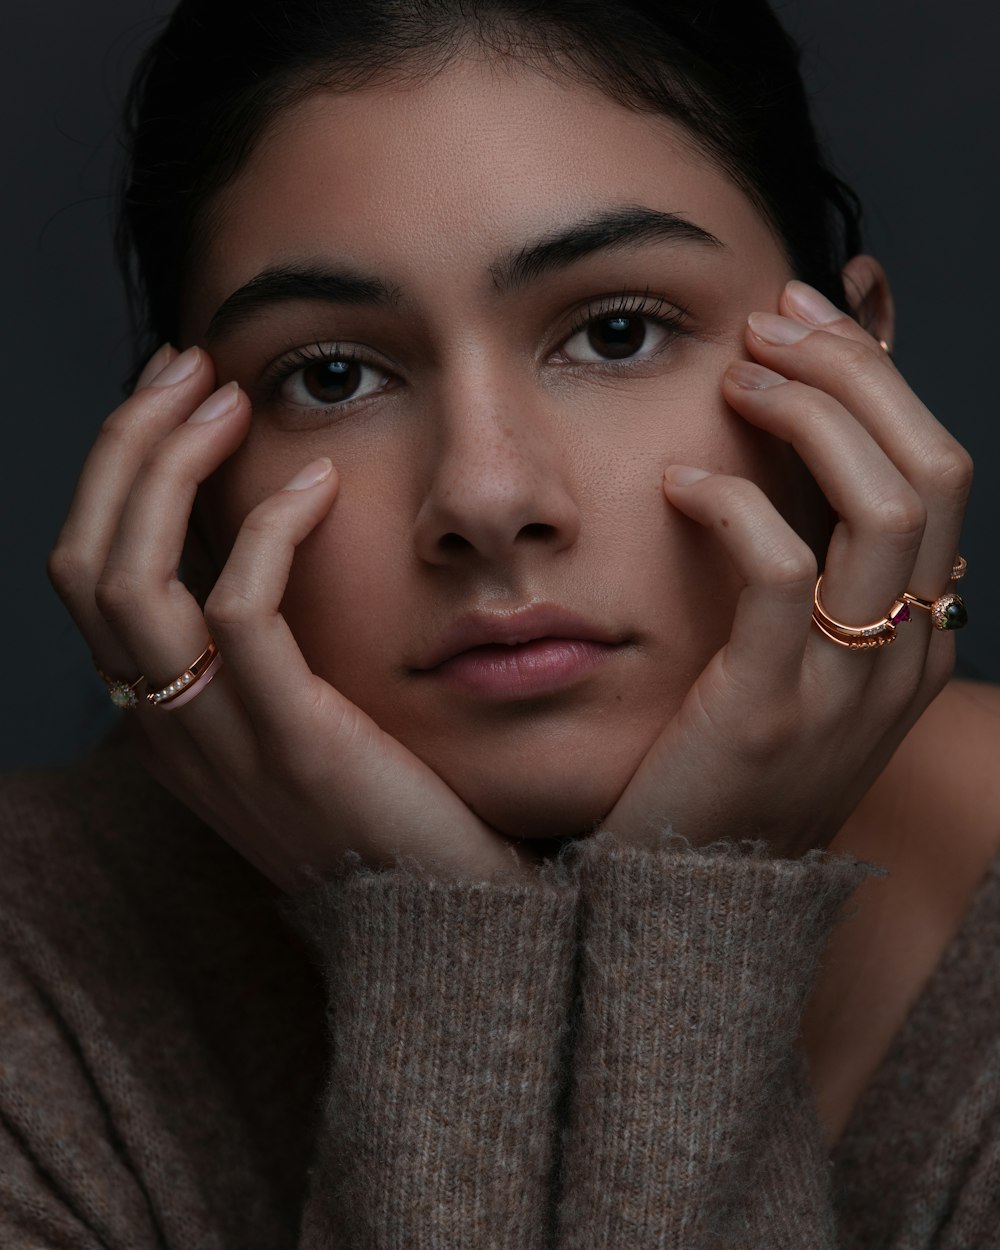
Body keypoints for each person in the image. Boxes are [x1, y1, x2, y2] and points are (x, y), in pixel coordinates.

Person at [2, 0, 997, 1244]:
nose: (485, 495)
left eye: (617, 331)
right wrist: (449, 961)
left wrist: (694, 918)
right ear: (187, 468)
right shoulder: (33, 960)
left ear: (855, 353)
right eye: (331, 376)